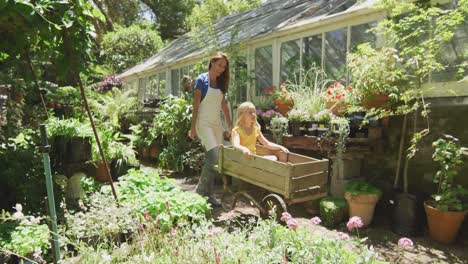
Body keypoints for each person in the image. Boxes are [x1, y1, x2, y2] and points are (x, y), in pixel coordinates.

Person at [189, 52, 233, 207]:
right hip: (204, 123)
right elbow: (195, 106)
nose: (221, 69)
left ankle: (209, 194)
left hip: (216, 125)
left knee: (215, 160)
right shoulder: (201, 80)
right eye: (219, 65)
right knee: (213, 156)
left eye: (224, 67)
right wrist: (192, 128)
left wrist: (230, 127)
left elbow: (224, 106)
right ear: (212, 63)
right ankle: (201, 191)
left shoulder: (221, 83)